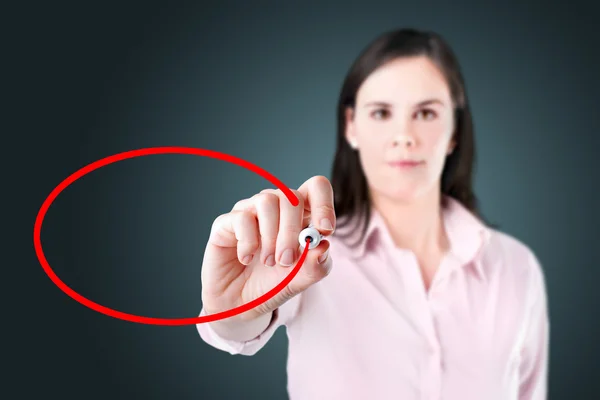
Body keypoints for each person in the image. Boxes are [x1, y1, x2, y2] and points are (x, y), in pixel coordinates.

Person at [196, 28, 550, 400]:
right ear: (351, 126)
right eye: (381, 112)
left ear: (454, 133)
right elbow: (235, 329)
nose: (403, 135)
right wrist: (234, 307)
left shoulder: (516, 268)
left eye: (426, 112)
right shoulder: (307, 256)